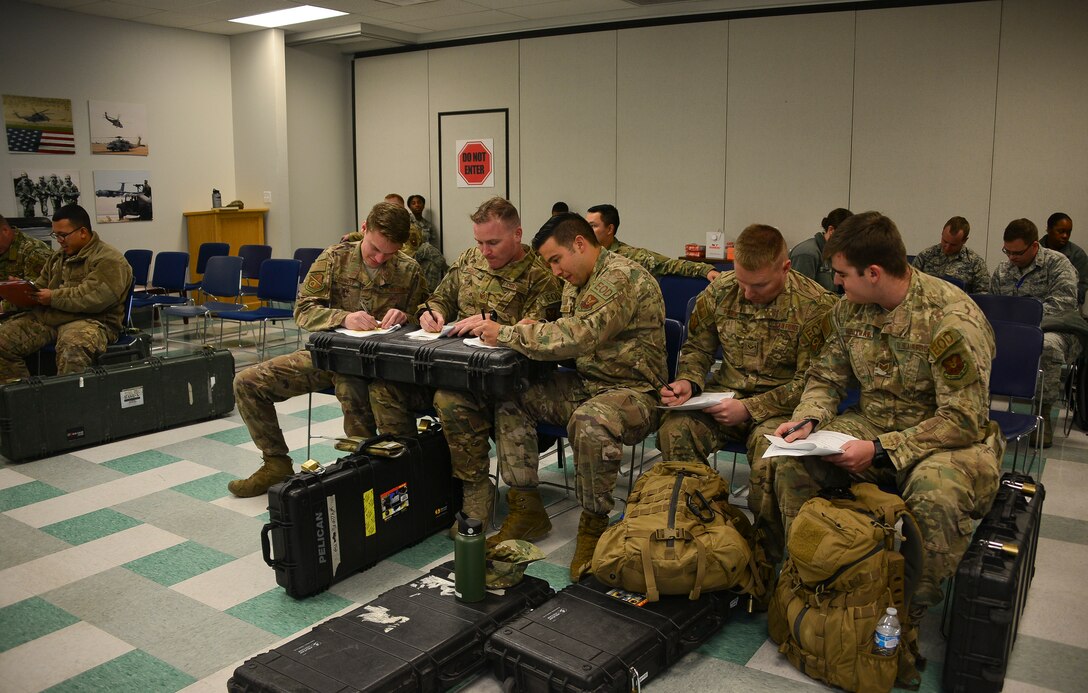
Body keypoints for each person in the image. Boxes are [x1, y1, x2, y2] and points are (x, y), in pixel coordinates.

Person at [772, 210, 1003, 623]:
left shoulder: (951, 318)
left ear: (873, 272)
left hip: (947, 439)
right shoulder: (849, 311)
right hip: (873, 423)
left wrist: (880, 450)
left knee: (936, 491)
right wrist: (808, 419)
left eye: (841, 273)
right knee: (793, 462)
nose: (836, 282)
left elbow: (963, 418)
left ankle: (904, 613)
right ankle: (811, 575)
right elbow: (826, 377)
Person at [474, 212, 666, 581]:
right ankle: (526, 506)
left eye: (556, 260)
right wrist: (534, 326)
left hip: (633, 393)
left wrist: (510, 334)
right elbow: (563, 329)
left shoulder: (621, 277)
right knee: (511, 393)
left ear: (579, 244)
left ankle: (594, 526)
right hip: (587, 383)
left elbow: (581, 334)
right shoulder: (577, 279)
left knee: (589, 422)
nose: (555, 270)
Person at [369, 197, 560, 528]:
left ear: (517, 234)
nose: (484, 251)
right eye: (479, 242)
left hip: (508, 383)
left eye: (493, 242)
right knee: (385, 388)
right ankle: (410, 478)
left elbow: (540, 331)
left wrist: (495, 322)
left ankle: (475, 489)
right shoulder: (470, 260)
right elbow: (440, 296)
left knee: (450, 400)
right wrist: (433, 312)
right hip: (455, 367)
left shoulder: (541, 274)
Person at [657, 224, 836, 563]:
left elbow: (812, 382)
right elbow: (697, 349)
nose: (748, 293)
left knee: (772, 456)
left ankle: (763, 553)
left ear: (785, 268)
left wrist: (750, 408)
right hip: (724, 396)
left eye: (760, 285)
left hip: (782, 407)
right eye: (742, 281)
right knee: (674, 430)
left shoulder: (814, 306)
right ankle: (698, 526)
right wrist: (690, 383)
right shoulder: (721, 291)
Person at [228, 202, 428, 497]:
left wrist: (408, 316)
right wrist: (343, 317)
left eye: (389, 253)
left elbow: (428, 315)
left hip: (377, 366)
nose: (380, 258)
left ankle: (372, 474)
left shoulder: (408, 269)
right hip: (328, 356)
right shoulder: (335, 259)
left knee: (352, 386)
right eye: (375, 249)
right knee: (247, 383)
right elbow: (304, 310)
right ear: (364, 229)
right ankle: (276, 463)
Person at [0, 204, 132, 381]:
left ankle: (70, 404)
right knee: (2, 341)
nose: (59, 240)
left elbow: (93, 298)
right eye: (56, 235)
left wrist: (52, 297)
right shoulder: (58, 257)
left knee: (73, 346)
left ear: (83, 232)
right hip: (52, 317)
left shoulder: (108, 259)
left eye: (63, 235)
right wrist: (21, 290)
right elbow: (40, 286)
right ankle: (24, 399)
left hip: (92, 320)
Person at [990, 217, 1082, 447]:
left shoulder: (1058, 264)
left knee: (1046, 346)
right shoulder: (1003, 270)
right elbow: (994, 302)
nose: (1011, 258)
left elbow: (1063, 303)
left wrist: (1024, 318)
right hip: (1013, 330)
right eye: (1007, 251)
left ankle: (1043, 416)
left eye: (1017, 253)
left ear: (1034, 246)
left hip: (1055, 329)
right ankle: (983, 410)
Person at [586, 204, 720, 281]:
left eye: (593, 226)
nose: (587, 230)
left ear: (609, 229)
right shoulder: (584, 255)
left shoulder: (631, 256)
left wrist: (705, 270)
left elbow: (670, 265)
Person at [910, 216, 990, 293]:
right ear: (942, 233)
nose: (947, 247)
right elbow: (910, 285)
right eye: (945, 241)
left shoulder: (975, 263)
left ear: (964, 241)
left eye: (953, 245)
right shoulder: (926, 256)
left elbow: (982, 296)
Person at [788, 207, 851, 293]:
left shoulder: (833, 253)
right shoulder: (807, 254)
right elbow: (800, 295)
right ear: (831, 230)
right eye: (846, 237)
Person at [0, 215, 53, 315]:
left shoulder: (34, 252)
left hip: (37, 313)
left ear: (5, 231)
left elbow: (35, 296)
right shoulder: (3, 248)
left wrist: (2, 307)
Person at [1040, 212, 1088, 306]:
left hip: (1065, 308)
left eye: (1068, 232)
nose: (1065, 236)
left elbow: (1081, 289)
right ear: (1049, 229)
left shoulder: (1077, 255)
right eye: (1061, 231)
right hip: (1035, 305)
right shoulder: (1034, 251)